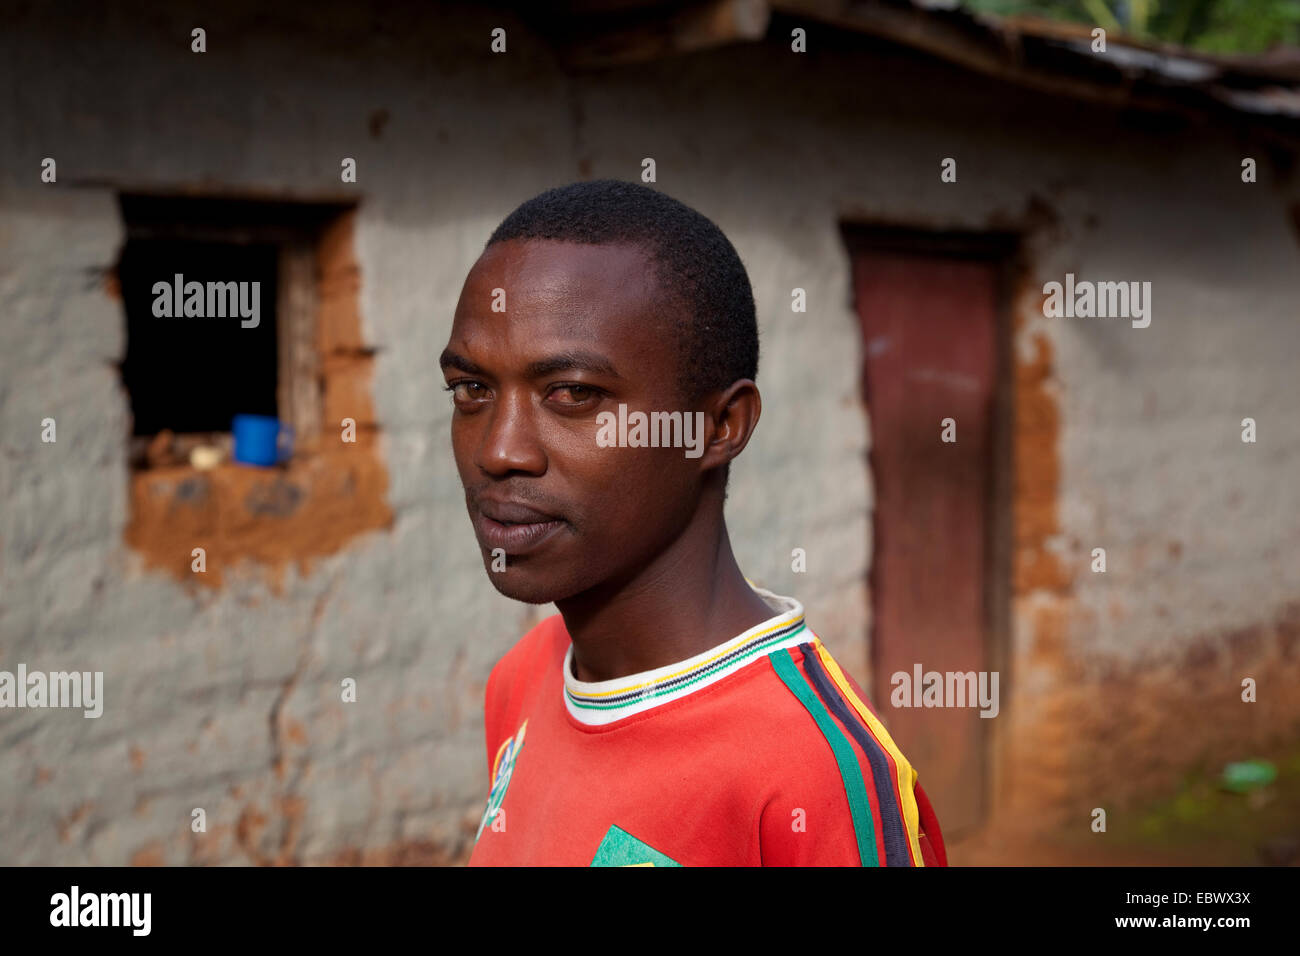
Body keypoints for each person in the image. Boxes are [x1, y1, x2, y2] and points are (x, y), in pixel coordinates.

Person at [442, 179, 946, 866]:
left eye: (573, 394)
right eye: (472, 389)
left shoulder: (817, 777)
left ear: (716, 427)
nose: (499, 450)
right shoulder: (522, 682)